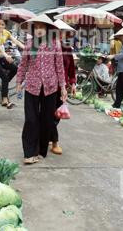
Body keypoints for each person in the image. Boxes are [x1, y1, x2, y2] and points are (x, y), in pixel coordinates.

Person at [16, 15, 67, 164]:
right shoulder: (29, 44)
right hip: (32, 86)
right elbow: (23, 65)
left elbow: (59, 67)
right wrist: (19, 81)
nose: (39, 30)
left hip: (50, 87)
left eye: (41, 27)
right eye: (36, 27)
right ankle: (29, 152)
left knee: (46, 121)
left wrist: (63, 87)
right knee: (31, 120)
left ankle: (40, 151)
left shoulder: (55, 44)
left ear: (47, 29)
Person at [0, 18, 24, 108]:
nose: (0, 26)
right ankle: (4, 99)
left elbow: (16, 41)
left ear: (5, 26)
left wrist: (26, 48)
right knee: (5, 77)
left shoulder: (6, 33)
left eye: (2, 24)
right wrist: (6, 55)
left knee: (15, 69)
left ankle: (4, 86)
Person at [50, 19, 76, 155]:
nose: (61, 35)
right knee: (49, 114)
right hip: (48, 86)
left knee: (57, 115)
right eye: (58, 32)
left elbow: (71, 67)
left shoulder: (67, 49)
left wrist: (73, 83)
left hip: (62, 87)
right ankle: (54, 142)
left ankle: (50, 135)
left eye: (63, 33)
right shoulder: (47, 47)